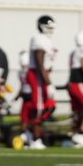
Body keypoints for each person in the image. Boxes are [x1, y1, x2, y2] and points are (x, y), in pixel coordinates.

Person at [24, 15, 58, 150]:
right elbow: (39, 62)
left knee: (46, 106)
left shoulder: (46, 40)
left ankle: (29, 133)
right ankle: (34, 138)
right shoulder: (39, 39)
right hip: (38, 75)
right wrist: (48, 83)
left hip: (43, 75)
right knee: (38, 107)